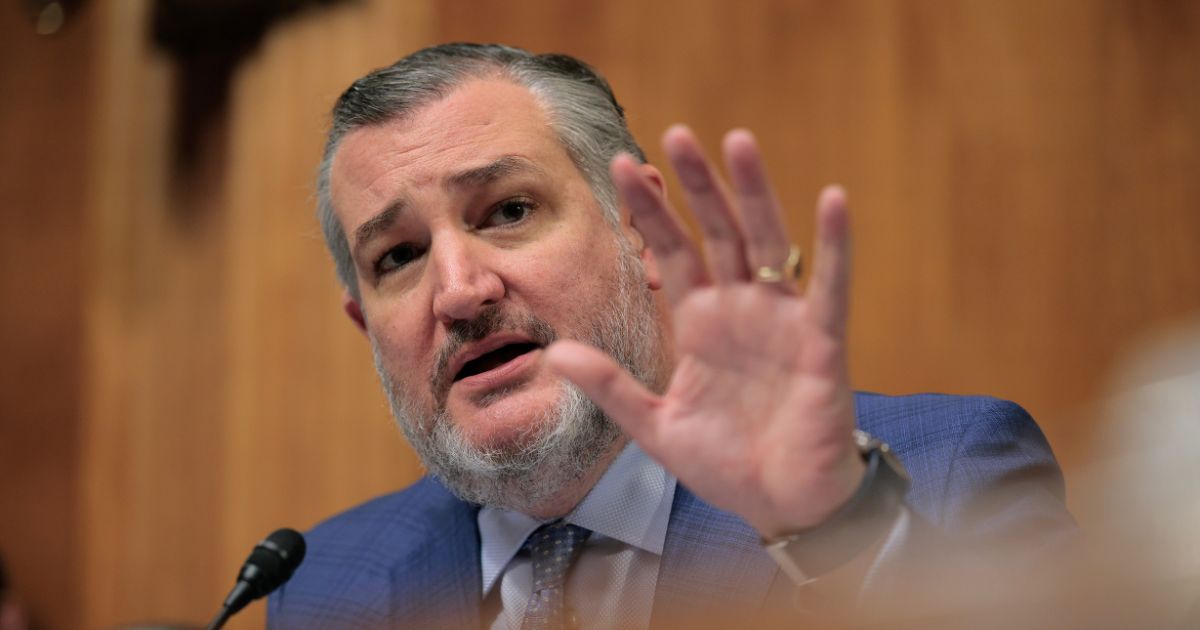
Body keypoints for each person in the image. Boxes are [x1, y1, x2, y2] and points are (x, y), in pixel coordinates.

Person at [268, 43, 1074, 629]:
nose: (457, 291)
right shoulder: (324, 589)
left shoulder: (948, 476)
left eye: (509, 211)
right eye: (398, 256)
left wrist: (839, 533)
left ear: (640, 229)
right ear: (365, 325)